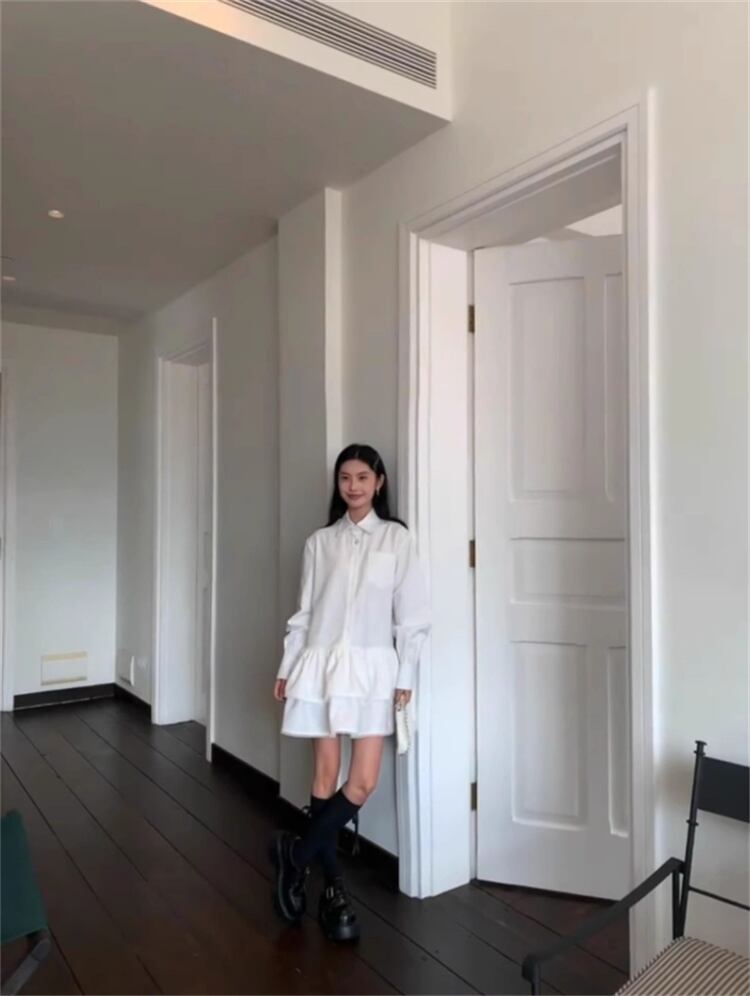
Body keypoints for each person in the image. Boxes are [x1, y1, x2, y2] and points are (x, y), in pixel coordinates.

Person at [270, 443, 430, 942]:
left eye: (362, 477)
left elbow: (412, 617)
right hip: (320, 666)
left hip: (373, 672)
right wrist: (288, 666)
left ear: (379, 482)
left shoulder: (397, 539)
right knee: (324, 777)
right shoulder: (319, 543)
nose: (353, 486)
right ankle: (334, 889)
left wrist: (406, 676)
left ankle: (295, 856)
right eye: (345, 478)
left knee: (361, 784)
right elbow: (305, 612)